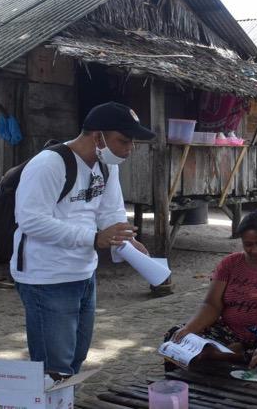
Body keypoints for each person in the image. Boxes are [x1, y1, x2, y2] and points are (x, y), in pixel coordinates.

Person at [12, 101, 154, 378]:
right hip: (47, 278)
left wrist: (126, 242)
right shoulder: (49, 164)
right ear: (97, 136)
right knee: (54, 368)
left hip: (83, 273)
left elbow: (110, 211)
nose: (129, 149)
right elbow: (30, 220)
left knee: (76, 357)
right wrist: (93, 238)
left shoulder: (106, 165)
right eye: (123, 141)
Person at [165, 207, 257, 373]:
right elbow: (212, 304)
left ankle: (229, 354)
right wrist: (189, 329)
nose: (255, 251)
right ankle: (234, 353)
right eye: (248, 244)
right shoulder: (230, 263)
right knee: (176, 337)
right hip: (232, 332)